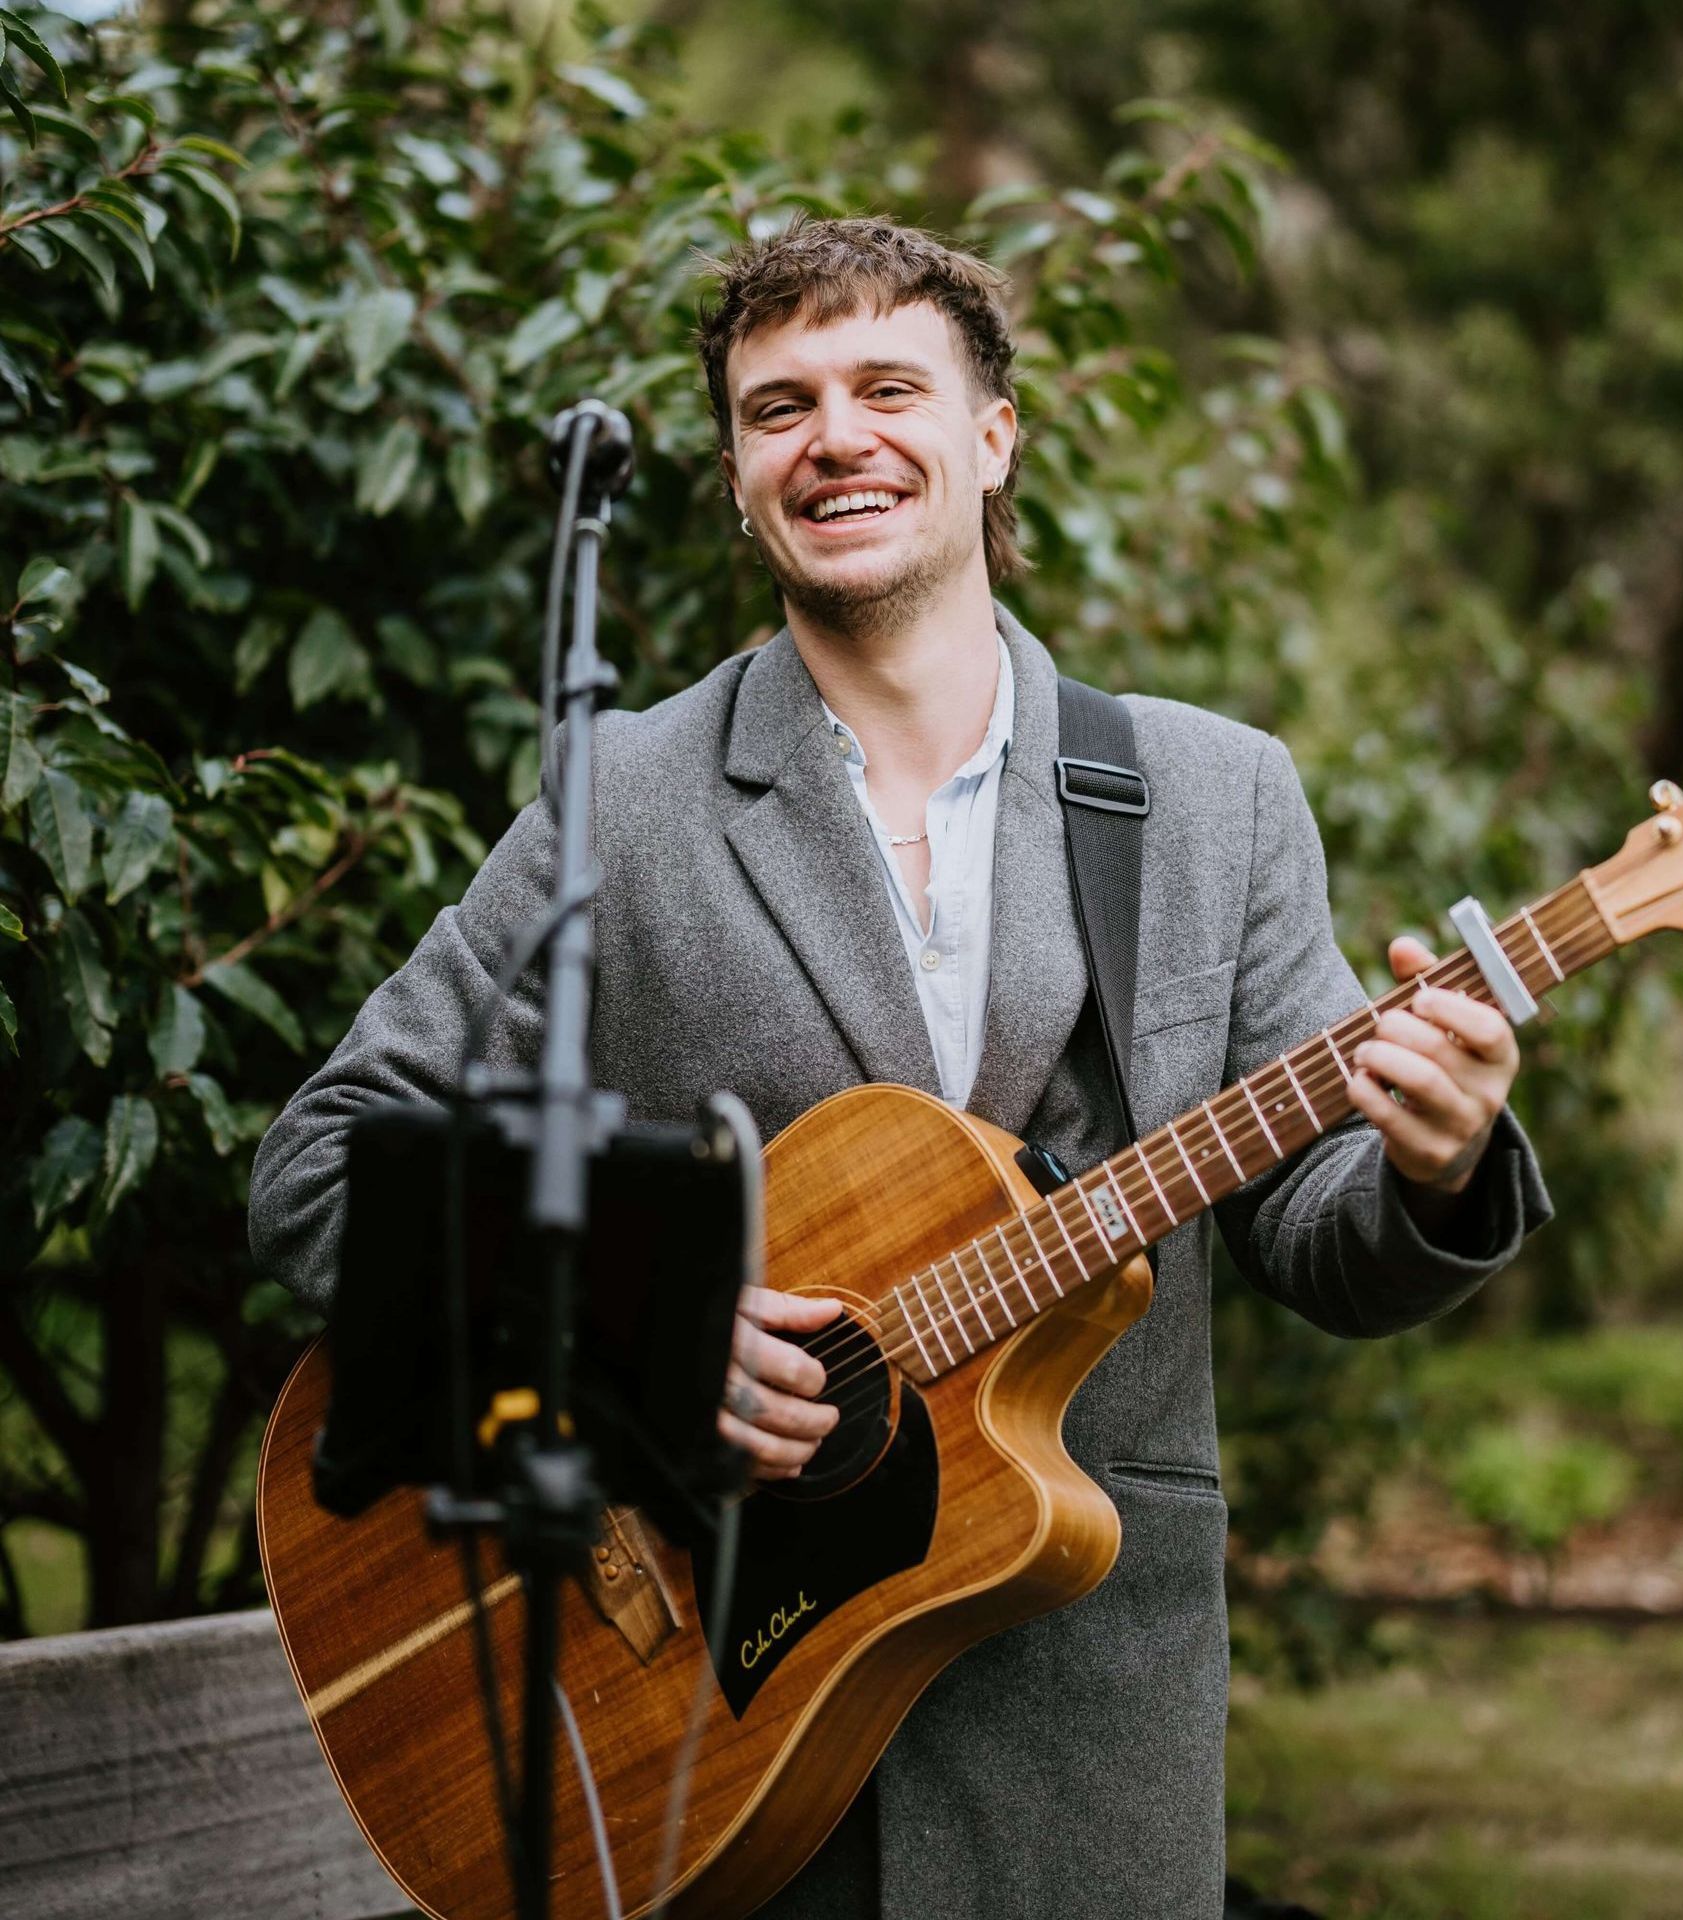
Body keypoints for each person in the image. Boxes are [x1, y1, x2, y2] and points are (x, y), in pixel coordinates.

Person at [250, 216, 1552, 1919]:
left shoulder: (1215, 798)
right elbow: (324, 1164)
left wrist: (1436, 1164)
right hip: (706, 1738)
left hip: (1090, 1733)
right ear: (736, 473)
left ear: (993, 434)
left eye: (887, 387)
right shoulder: (623, 804)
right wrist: (635, 1334)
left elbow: (1317, 1232)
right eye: (779, 406)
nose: (836, 438)